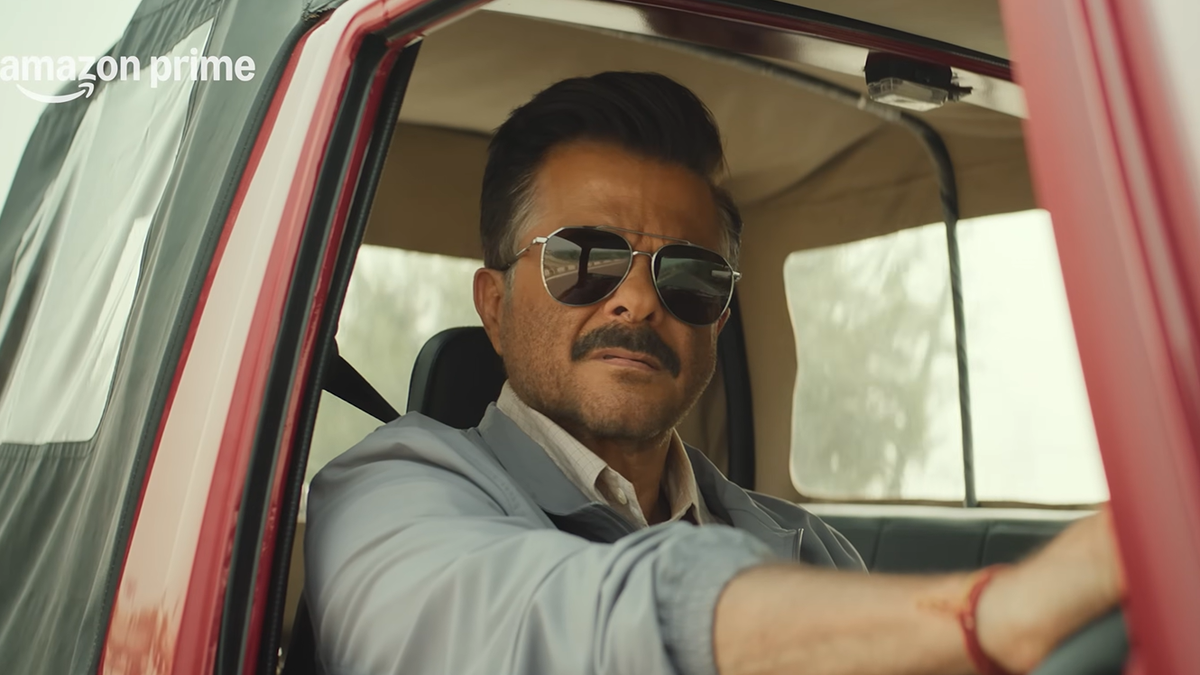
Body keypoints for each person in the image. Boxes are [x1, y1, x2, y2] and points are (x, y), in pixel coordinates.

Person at [304, 72, 1123, 675]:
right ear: (494, 304)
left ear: (719, 317)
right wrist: (988, 615)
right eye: (584, 260)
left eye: (688, 275)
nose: (636, 301)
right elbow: (539, 626)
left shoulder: (808, 547)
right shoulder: (385, 499)